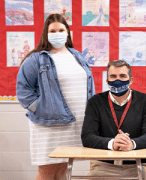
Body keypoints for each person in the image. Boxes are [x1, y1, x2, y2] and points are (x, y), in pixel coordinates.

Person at [16, 13, 95, 180]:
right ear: (46, 33)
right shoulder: (36, 59)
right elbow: (23, 92)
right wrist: (43, 108)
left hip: (76, 122)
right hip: (48, 124)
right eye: (52, 31)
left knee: (63, 170)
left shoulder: (77, 55)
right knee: (47, 171)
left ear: (67, 32)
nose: (57, 34)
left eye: (60, 29)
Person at [81, 60, 146, 179]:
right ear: (107, 81)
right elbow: (87, 137)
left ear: (131, 80)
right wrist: (112, 143)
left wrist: (131, 144)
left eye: (122, 76)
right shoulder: (95, 102)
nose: (118, 80)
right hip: (103, 166)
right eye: (113, 76)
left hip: (137, 165)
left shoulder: (145, 101)